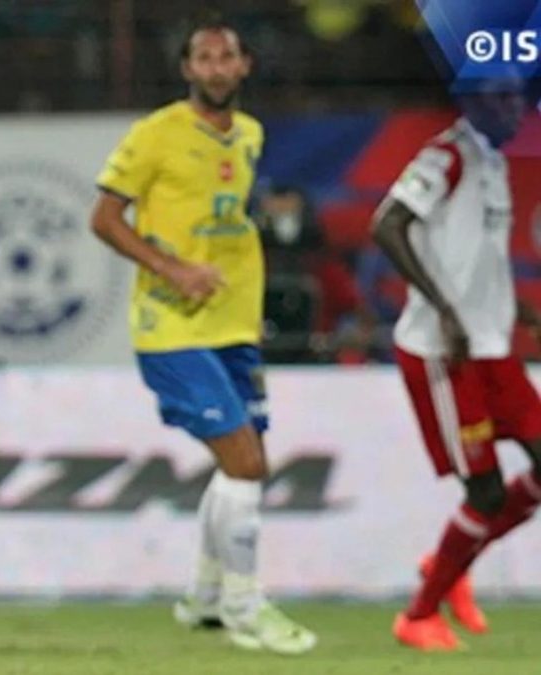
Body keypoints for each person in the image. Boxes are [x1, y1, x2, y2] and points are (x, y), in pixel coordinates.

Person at [88, 15, 316, 654]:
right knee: (245, 462)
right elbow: (104, 218)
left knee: (242, 464)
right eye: (205, 58)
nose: (217, 67)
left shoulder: (249, 135)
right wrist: (174, 269)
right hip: (172, 328)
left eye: (226, 57)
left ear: (244, 66)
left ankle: (207, 597)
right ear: (188, 69)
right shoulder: (156, 134)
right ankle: (244, 606)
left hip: (234, 323)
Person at [372, 76, 541, 651]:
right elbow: (386, 223)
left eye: (517, 98)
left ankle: (451, 563)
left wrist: (515, 309)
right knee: (486, 492)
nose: (513, 108)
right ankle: (419, 615)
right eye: (499, 97)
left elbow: (473, 256)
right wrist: (442, 309)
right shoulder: (446, 155)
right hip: (445, 353)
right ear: (470, 102)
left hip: (492, 345)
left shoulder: (493, 161)